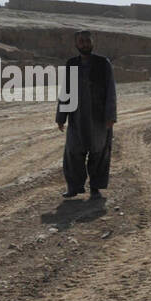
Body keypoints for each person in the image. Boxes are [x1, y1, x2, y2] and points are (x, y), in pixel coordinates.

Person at [56, 30, 117, 200]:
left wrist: (110, 116)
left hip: (99, 118)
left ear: (93, 42)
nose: (84, 44)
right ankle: (74, 187)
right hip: (76, 117)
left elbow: (111, 90)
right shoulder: (71, 64)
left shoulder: (103, 63)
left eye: (87, 41)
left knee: (99, 152)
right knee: (73, 151)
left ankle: (95, 188)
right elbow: (65, 92)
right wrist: (61, 117)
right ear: (76, 44)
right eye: (81, 41)